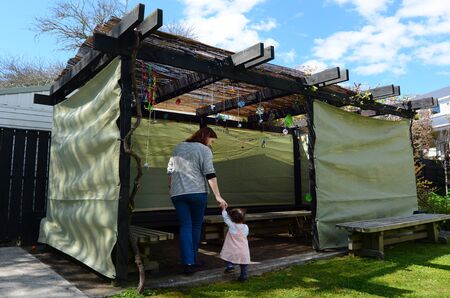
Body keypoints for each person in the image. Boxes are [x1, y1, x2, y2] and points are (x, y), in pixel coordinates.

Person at [167, 126, 228, 274]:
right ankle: (192, 260)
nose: (211, 144)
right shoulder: (204, 149)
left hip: (177, 194)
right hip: (197, 193)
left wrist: (172, 189)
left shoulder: (178, 147)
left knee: (185, 227)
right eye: (211, 141)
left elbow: (169, 172)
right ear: (205, 137)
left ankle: (188, 263)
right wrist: (218, 196)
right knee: (195, 227)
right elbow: (210, 173)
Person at [220, 207, 251, 282]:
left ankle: (230, 266)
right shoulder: (246, 227)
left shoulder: (231, 225)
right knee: (244, 264)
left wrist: (223, 209)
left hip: (232, 249)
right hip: (243, 250)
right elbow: (246, 234)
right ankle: (243, 277)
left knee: (226, 256)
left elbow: (225, 217)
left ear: (232, 219)